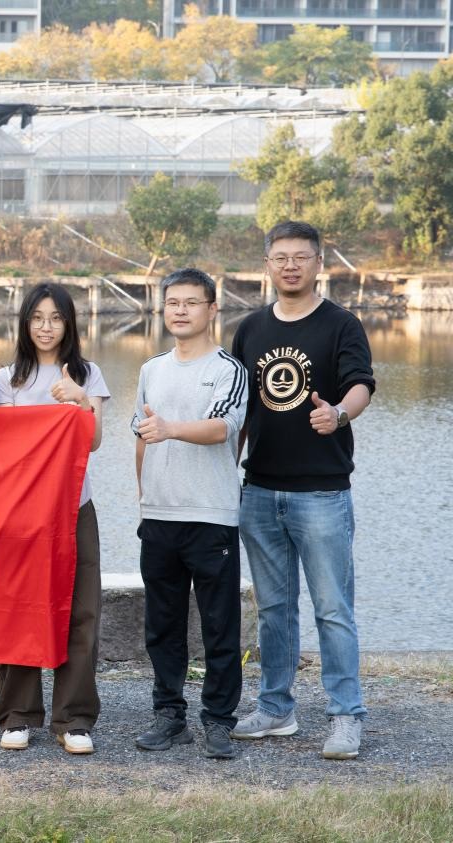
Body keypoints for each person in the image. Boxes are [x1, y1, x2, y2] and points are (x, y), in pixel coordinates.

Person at [230, 221, 375, 761]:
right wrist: (227, 472)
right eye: (281, 257)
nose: (290, 266)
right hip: (260, 491)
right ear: (267, 265)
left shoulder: (341, 324)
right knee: (273, 608)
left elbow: (361, 385)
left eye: (301, 257)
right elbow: (240, 409)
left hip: (322, 493)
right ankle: (276, 708)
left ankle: (346, 715)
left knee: (333, 608)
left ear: (319, 263)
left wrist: (338, 414)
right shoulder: (250, 329)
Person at [130, 268, 248, 761]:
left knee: (219, 625)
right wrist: (144, 498)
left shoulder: (228, 369)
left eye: (191, 302)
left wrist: (171, 429)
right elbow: (141, 437)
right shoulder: (151, 369)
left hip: (211, 514)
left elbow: (222, 428)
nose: (180, 310)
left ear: (212, 309)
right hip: (160, 516)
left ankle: (218, 720)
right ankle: (169, 715)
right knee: (162, 624)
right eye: (172, 302)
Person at [0, 282, 108, 756]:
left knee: (81, 611)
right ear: (25, 323)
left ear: (69, 324)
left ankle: (73, 719)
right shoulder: (6, 380)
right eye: (37, 318)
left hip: (75, 507)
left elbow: (93, 441)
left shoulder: (88, 373)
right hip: (20, 511)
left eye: (56, 318)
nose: (46, 327)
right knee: (17, 609)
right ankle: (18, 714)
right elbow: (4, 446)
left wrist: (79, 399)